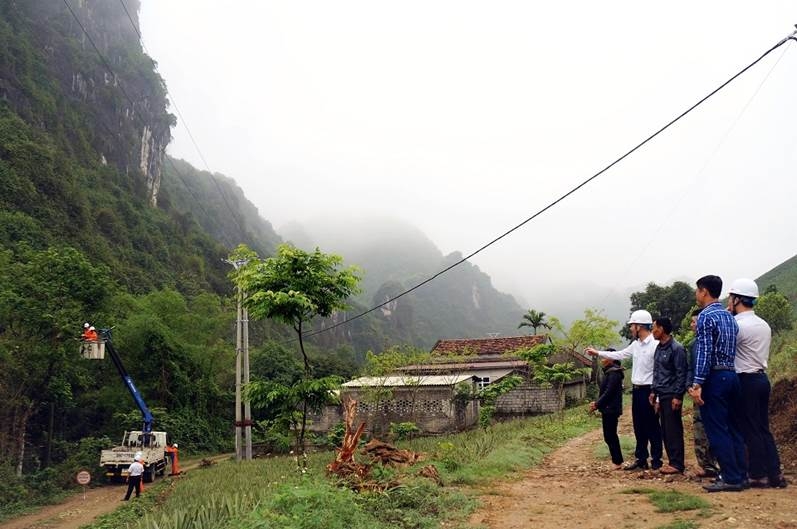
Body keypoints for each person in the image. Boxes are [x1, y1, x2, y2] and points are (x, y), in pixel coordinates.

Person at [688, 275, 747, 492]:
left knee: (717, 429)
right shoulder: (729, 316)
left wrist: (697, 383)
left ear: (704, 291)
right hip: (732, 375)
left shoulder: (705, 316)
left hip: (715, 378)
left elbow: (704, 352)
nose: (696, 295)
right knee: (733, 428)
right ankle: (741, 475)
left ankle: (730, 477)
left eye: (697, 291)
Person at [727, 278, 787, 488]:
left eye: (731, 297)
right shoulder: (763, 324)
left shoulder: (736, 325)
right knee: (763, 427)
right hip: (762, 378)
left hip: (746, 380)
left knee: (749, 428)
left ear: (736, 299)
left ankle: (757, 474)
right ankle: (775, 473)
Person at [586, 309, 662, 471]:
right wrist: (597, 352)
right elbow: (619, 355)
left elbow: (659, 372)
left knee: (653, 426)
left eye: (632, 325)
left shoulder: (655, 345)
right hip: (637, 391)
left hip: (650, 391)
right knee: (639, 426)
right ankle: (641, 459)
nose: (631, 328)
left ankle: (656, 460)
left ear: (639, 326)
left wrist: (657, 397)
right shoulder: (635, 345)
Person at [650, 317, 687, 474]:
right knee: (665, 429)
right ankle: (672, 461)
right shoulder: (659, 348)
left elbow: (681, 374)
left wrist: (678, 396)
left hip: (672, 394)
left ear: (661, 329)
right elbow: (657, 372)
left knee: (673, 430)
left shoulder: (677, 348)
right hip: (662, 394)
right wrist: (654, 392)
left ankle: (677, 463)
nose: (652, 331)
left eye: (654, 328)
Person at [686, 308, 719, 478]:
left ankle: (719, 462)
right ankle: (705, 465)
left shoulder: (715, 340)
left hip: (713, 389)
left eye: (694, 321)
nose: (692, 325)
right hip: (697, 390)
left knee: (716, 426)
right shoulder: (692, 345)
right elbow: (690, 368)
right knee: (699, 427)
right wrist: (689, 387)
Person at [590, 356, 625, 469]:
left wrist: (597, 404)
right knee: (609, 435)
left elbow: (608, 392)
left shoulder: (614, 373)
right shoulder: (610, 372)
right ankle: (617, 460)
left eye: (604, 357)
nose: (602, 360)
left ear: (611, 359)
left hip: (611, 408)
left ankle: (617, 461)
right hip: (608, 408)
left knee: (610, 435)